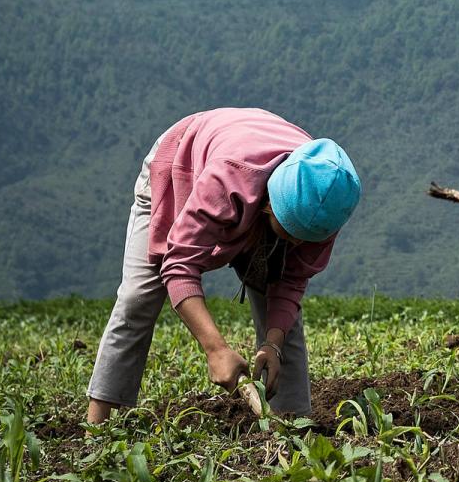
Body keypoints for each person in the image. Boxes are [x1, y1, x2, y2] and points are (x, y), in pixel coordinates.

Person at [84, 107, 361, 424]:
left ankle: (293, 425)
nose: (296, 245)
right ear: (270, 204)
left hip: (252, 193)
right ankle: (99, 428)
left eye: (304, 239)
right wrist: (215, 349)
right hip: (180, 169)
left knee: (282, 313)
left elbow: (291, 282)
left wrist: (273, 344)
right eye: (290, 233)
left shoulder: (328, 201)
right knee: (138, 297)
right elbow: (178, 264)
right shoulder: (231, 177)